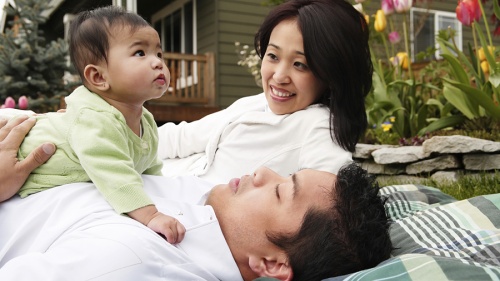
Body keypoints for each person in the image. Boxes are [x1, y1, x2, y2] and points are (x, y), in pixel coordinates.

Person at [0, 119, 392, 280]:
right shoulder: (207, 204)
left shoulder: (132, 260)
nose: (261, 171)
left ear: (272, 264)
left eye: (279, 190)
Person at [0, 6, 186, 244]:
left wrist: (172, 199)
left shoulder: (146, 121)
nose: (158, 63)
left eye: (159, 54)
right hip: (17, 149)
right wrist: (151, 215)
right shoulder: (95, 119)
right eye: (140, 53)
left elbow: (151, 171)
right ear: (99, 77)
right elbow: (113, 173)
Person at [157, 0, 372, 184]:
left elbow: (324, 205)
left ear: (331, 75)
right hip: (148, 184)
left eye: (299, 64)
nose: (279, 76)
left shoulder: (320, 129)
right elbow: (181, 138)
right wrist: (125, 140)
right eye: (273, 56)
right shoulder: (255, 104)